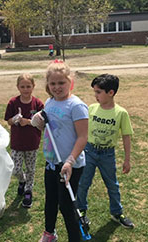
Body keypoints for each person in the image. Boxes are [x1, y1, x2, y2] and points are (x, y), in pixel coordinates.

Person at [31, 60, 88, 242]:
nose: (57, 87)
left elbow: (82, 137)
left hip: (71, 164)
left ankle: (75, 238)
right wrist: (39, 123)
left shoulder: (76, 106)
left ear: (70, 82)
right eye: (53, 83)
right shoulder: (49, 102)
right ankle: (49, 233)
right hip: (52, 163)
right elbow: (50, 130)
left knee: (66, 205)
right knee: (51, 201)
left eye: (61, 82)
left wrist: (70, 161)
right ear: (48, 85)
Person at [76, 74, 135, 229]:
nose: (95, 96)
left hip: (107, 154)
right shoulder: (91, 108)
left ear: (111, 93)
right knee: (83, 183)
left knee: (112, 184)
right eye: (94, 92)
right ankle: (80, 211)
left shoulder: (121, 113)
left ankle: (117, 212)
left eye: (98, 92)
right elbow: (81, 130)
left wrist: (127, 159)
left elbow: (126, 137)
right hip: (89, 151)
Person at [4, 73, 44, 208]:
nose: (25, 89)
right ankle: (22, 180)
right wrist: (15, 119)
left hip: (32, 143)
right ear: (18, 87)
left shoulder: (38, 103)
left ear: (33, 86)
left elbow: (42, 124)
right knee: (15, 169)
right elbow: (8, 120)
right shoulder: (13, 102)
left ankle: (28, 191)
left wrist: (28, 122)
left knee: (31, 169)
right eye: (22, 87)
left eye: (28, 86)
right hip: (17, 143)